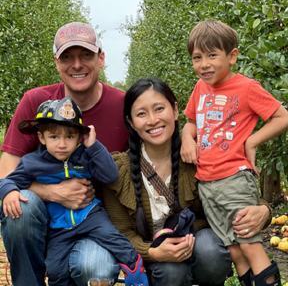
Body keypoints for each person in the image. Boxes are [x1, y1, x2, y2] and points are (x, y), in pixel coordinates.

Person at [102, 77, 273, 286]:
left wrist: (264, 211)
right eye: (141, 114)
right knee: (171, 270)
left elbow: (238, 192)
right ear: (130, 121)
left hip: (199, 245)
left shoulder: (202, 155)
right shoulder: (119, 169)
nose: (152, 120)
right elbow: (121, 233)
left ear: (175, 111)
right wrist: (154, 252)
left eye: (159, 109)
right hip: (155, 260)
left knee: (211, 251)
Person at [0, 22, 130, 286]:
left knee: (94, 268)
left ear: (101, 58)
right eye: (67, 56)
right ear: (57, 62)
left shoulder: (124, 105)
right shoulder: (35, 102)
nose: (77, 65)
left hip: (94, 225)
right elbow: (6, 172)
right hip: (46, 221)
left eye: (86, 55)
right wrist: (51, 192)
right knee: (20, 205)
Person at [181, 19, 288, 286]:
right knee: (234, 249)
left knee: (249, 244)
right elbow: (192, 121)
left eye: (212, 55)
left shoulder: (246, 87)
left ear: (232, 56)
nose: (204, 64)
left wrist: (251, 142)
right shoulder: (200, 89)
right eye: (197, 57)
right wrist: (187, 138)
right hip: (207, 182)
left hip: (234, 180)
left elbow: (281, 116)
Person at [0, 96, 149, 286]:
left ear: (79, 137)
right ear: (41, 138)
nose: (62, 144)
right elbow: (7, 181)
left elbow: (110, 175)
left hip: (90, 216)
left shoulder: (85, 156)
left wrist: (94, 147)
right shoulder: (32, 163)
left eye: (69, 137)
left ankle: (134, 269)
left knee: (115, 240)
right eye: (54, 137)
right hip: (58, 227)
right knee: (55, 269)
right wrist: (10, 191)